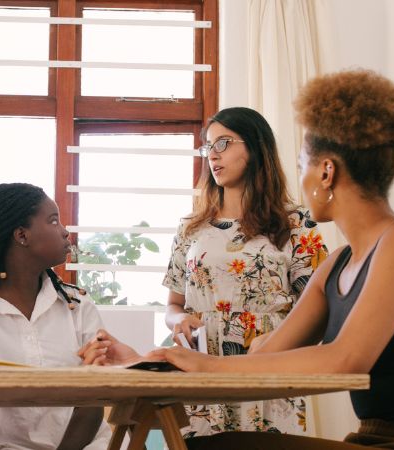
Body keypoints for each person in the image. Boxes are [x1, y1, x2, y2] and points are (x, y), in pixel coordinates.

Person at [85, 70, 394, 450]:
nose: (298, 178)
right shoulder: (336, 265)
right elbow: (259, 364)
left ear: (326, 173)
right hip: (376, 438)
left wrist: (200, 362)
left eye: (302, 165)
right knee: (212, 444)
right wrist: (142, 363)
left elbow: (346, 359)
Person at [159, 106, 325, 436]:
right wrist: (178, 321)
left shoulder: (297, 225)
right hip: (201, 368)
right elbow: (173, 304)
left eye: (224, 143)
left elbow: (318, 311)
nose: (213, 155)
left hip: (269, 364)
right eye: (208, 146)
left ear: (255, 146)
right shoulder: (190, 229)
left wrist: (277, 341)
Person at [0, 183, 109, 450]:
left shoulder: (78, 303)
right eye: (53, 220)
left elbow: (93, 403)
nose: (65, 231)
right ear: (22, 235)